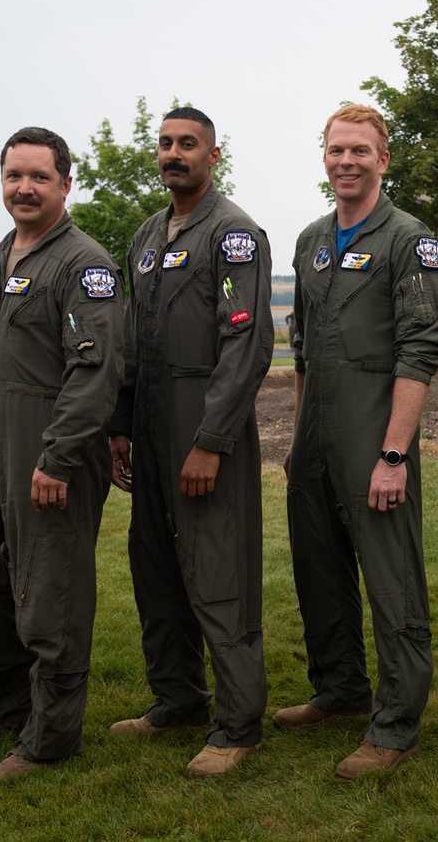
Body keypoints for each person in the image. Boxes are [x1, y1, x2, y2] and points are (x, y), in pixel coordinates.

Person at [0, 126, 124, 782]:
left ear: (65, 184)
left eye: (38, 177)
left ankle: (51, 739)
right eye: (13, 175)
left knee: (52, 600)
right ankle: (12, 709)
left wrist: (58, 457)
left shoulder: (83, 265)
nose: (24, 187)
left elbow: (95, 373)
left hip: (49, 464)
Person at [274, 104, 438, 779]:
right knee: (319, 571)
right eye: (336, 150)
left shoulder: (408, 238)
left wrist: (394, 454)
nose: (347, 161)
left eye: (360, 151)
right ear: (324, 157)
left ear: (383, 159)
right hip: (316, 430)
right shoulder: (314, 238)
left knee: (392, 579)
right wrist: (297, 436)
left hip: (374, 427)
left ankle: (396, 724)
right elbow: (303, 352)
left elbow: (420, 348)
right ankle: (340, 691)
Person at [108, 107, 273, 779]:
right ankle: (176, 697)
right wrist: (120, 425)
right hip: (147, 425)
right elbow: (127, 336)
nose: (174, 154)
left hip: (202, 419)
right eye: (166, 144)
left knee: (217, 572)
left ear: (213, 154)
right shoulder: (149, 235)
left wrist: (210, 440)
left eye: (188, 144)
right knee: (156, 568)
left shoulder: (233, 234)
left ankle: (238, 723)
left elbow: (248, 345)